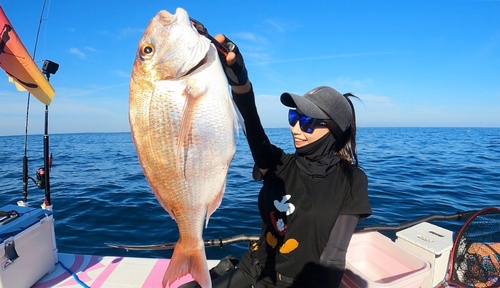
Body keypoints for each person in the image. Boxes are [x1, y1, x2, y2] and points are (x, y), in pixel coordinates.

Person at [181, 35, 371, 288]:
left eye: (307, 123)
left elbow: (334, 258)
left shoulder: (352, 181)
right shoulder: (280, 163)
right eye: (294, 117)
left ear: (334, 130)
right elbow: (251, 122)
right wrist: (239, 79)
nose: (295, 129)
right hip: (253, 268)